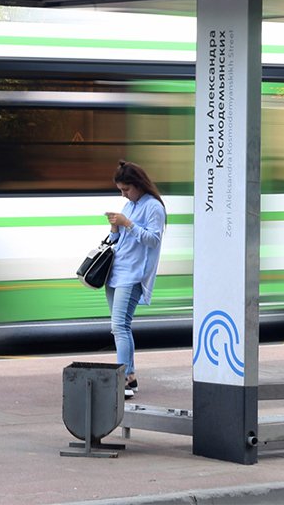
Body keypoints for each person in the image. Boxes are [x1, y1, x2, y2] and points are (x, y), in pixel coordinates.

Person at [104, 160, 166, 399]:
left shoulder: (153, 207)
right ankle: (129, 377)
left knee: (119, 326)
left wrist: (127, 224)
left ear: (139, 185)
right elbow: (117, 242)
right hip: (116, 271)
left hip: (133, 274)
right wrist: (115, 228)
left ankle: (125, 380)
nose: (123, 194)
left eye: (126, 189)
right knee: (119, 327)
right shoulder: (129, 205)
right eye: (120, 190)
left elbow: (153, 240)